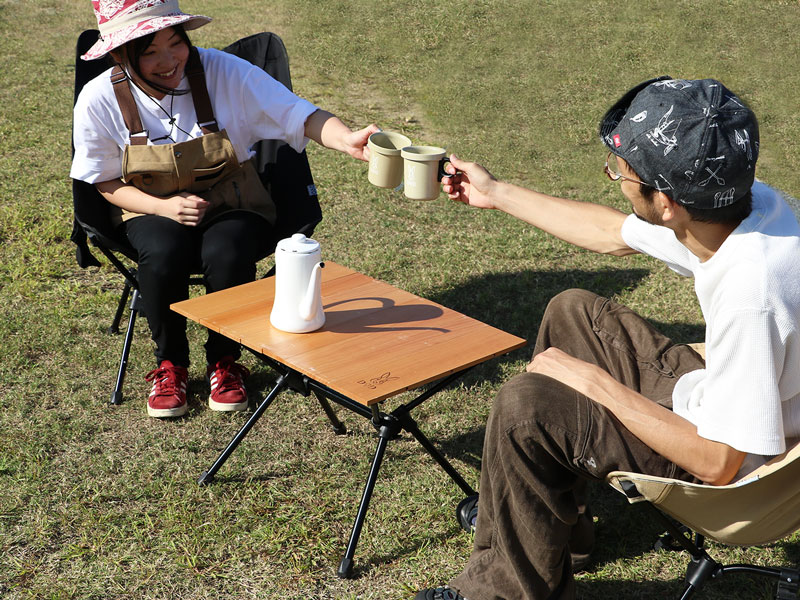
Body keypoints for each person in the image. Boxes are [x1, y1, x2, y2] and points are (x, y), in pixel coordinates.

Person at [416, 77, 800, 600]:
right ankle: (553, 532)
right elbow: (613, 233)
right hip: (727, 405)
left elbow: (720, 462)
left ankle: (504, 589)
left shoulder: (751, 292)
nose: (615, 179)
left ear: (665, 203)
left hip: (731, 477)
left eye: (620, 173)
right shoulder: (746, 209)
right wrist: (497, 192)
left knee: (525, 405)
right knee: (573, 312)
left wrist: (593, 382)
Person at [71, 0, 379, 418]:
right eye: (150, 51)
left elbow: (298, 113)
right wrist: (163, 208)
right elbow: (103, 181)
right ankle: (171, 364)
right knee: (161, 252)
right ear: (119, 54)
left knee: (228, 249)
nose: (169, 61)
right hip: (147, 204)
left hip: (233, 197)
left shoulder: (222, 71)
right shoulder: (99, 98)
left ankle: (225, 361)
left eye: (175, 43)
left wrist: (347, 140)